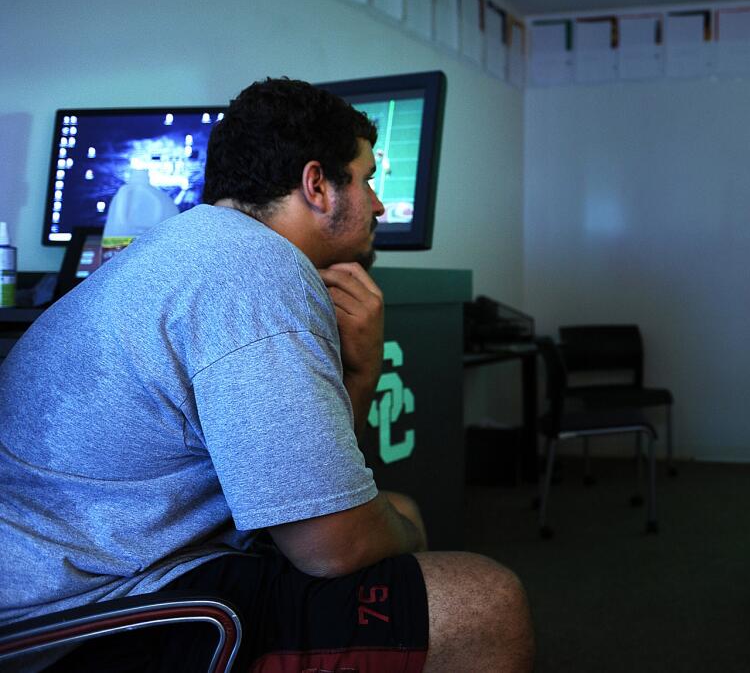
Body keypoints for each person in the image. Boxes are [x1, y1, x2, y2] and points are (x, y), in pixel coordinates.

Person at [0, 78, 534, 672]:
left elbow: (308, 483)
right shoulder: (256, 272)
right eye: (366, 178)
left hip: (74, 565)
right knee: (489, 600)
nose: (379, 205)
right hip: (75, 617)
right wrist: (406, 538)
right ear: (317, 186)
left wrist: (359, 374)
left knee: (396, 509)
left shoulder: (194, 245)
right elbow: (333, 547)